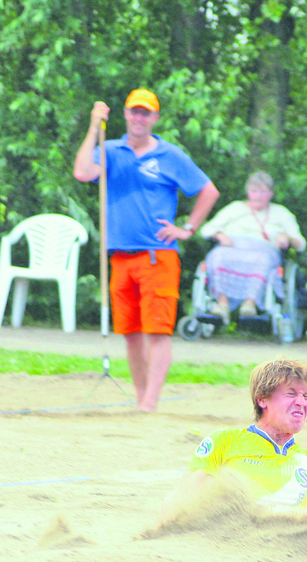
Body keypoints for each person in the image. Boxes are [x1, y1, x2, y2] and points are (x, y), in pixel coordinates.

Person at [73, 88, 220, 411]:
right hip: (120, 255)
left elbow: (208, 191)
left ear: (155, 117)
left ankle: (150, 403)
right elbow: (83, 172)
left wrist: (187, 229)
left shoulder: (170, 155)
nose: (139, 117)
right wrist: (94, 126)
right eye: (134, 111)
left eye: (146, 112)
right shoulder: (109, 149)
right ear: (125, 114)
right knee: (131, 333)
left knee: (157, 331)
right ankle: (142, 400)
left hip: (157, 254)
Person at [152, 358, 307, 531]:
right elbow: (184, 494)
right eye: (291, 393)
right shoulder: (225, 440)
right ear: (262, 399)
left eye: (306, 396)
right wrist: (159, 533)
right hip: (228, 538)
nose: (301, 402)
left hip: (281, 547)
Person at [197, 171, 305, 324]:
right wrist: (220, 235)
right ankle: (222, 304)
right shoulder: (235, 208)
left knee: (263, 260)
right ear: (248, 192)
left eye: (263, 191)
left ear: (271, 194)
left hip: (264, 250)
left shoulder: (281, 213)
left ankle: (250, 303)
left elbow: (301, 243)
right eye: (254, 191)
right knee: (218, 256)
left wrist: (288, 238)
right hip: (232, 247)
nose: (258, 196)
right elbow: (206, 230)